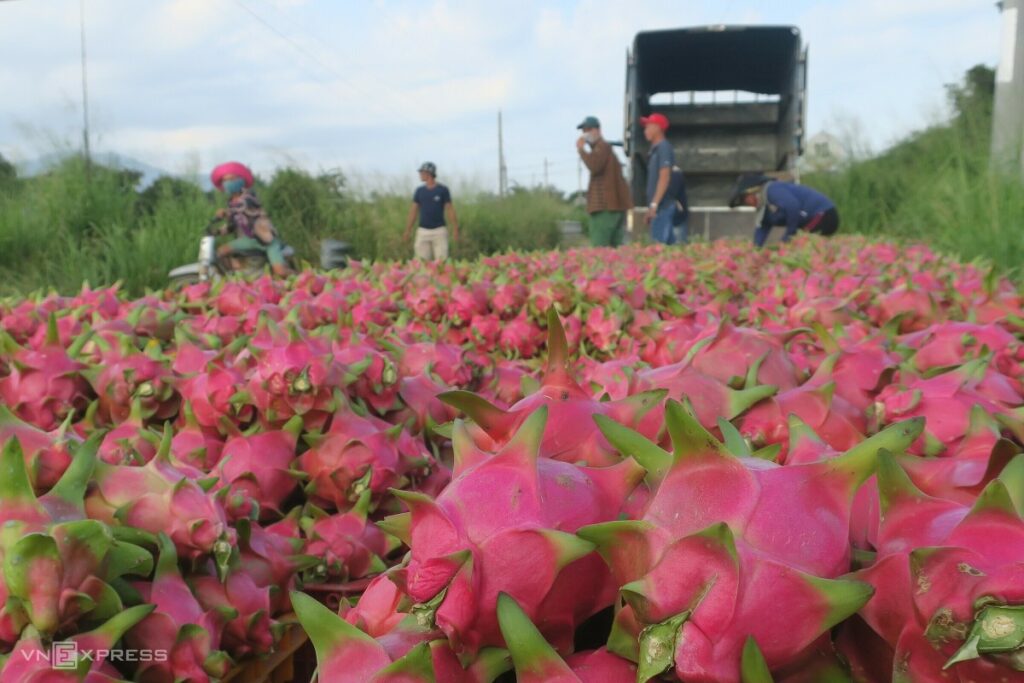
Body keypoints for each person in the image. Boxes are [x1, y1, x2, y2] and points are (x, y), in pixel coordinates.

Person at [210, 161, 290, 277]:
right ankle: (233, 279)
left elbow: (241, 207)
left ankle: (306, 280)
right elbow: (232, 225)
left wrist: (226, 212)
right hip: (249, 240)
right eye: (225, 180)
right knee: (221, 252)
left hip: (266, 240)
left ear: (241, 180)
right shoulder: (231, 202)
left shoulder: (249, 197)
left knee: (280, 272)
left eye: (232, 179)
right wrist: (216, 232)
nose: (228, 183)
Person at [729, 174, 840, 247]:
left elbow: (792, 207)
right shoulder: (763, 206)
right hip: (813, 221)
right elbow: (763, 227)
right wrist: (755, 249)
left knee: (800, 247)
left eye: (745, 200)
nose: (748, 204)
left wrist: (788, 236)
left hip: (823, 216)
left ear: (752, 192)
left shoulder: (772, 190)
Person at [575, 115, 632, 247]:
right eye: (584, 131)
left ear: (598, 130)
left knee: (600, 249)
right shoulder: (604, 148)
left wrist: (581, 150)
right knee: (615, 249)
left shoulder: (602, 147)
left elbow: (594, 166)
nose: (585, 134)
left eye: (589, 130)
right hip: (613, 207)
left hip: (604, 208)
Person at [403, 162, 459, 261]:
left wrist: (455, 228)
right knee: (420, 262)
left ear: (429, 173)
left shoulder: (442, 190)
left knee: (441, 262)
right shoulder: (419, 191)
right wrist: (408, 230)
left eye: (421, 172)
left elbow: (450, 209)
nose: (420, 175)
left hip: (439, 231)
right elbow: (413, 211)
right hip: (423, 231)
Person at [641, 112, 677, 244]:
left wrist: (654, 205)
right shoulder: (655, 150)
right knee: (668, 248)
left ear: (657, 128)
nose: (645, 130)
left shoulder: (664, 147)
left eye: (648, 126)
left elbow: (664, 177)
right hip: (659, 207)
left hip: (663, 207)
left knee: (658, 248)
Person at [667, 165, 690, 244]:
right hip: (671, 217)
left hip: (676, 218)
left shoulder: (675, 174)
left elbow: (672, 193)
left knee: (678, 245)